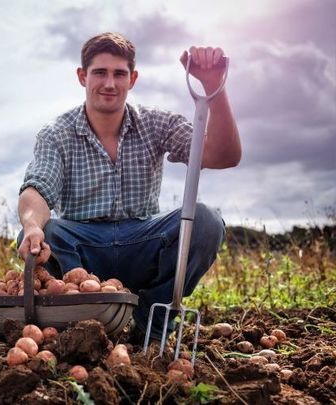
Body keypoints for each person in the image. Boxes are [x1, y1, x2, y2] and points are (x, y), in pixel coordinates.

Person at [17, 32, 241, 342]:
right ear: (82, 76)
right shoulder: (57, 134)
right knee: (49, 233)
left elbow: (224, 155)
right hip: (84, 253)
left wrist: (214, 87)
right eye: (100, 72)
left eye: (119, 74)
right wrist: (31, 226)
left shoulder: (155, 123)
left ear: (132, 79)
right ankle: (83, 326)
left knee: (206, 221)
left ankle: (154, 320)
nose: (109, 83)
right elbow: (37, 188)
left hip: (143, 242)